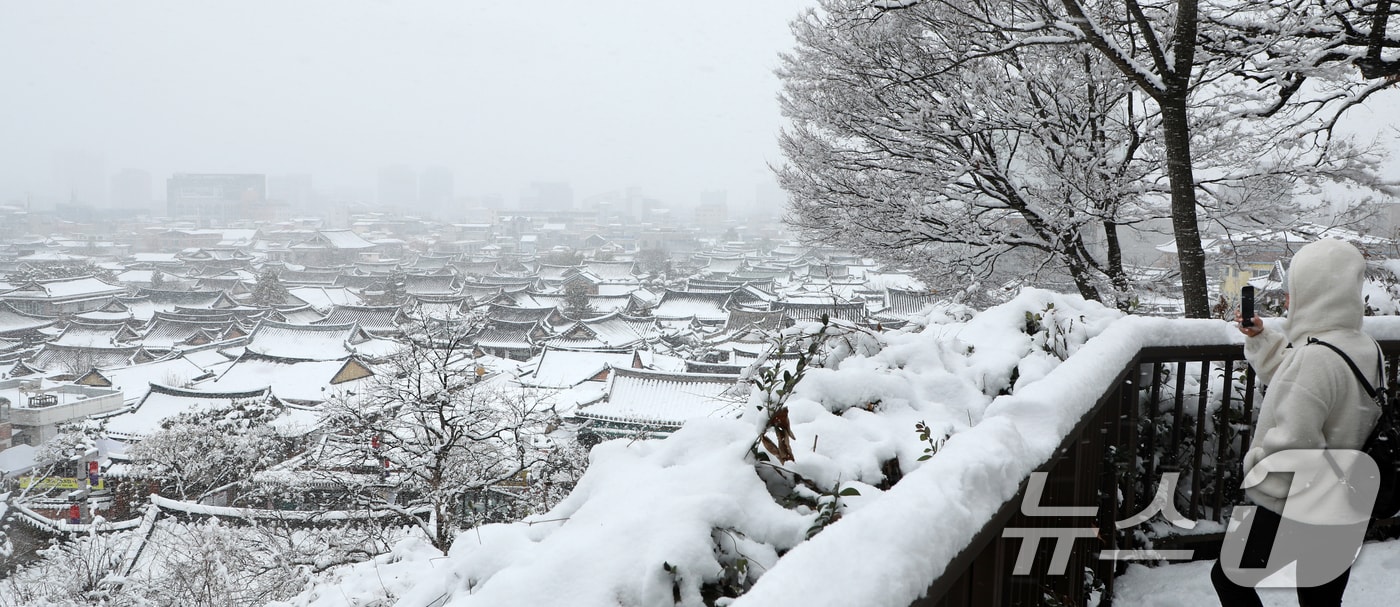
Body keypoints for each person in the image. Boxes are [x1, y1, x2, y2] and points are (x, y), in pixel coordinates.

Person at [1211, 238, 1383, 606]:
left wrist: (1255, 474)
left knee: (1228, 580)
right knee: (1320, 598)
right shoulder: (1367, 347)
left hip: (1294, 504)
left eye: (1295, 289)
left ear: (1316, 292)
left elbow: (1294, 446)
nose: (1289, 300)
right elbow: (1305, 384)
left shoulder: (1316, 358)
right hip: (1348, 501)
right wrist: (1263, 339)